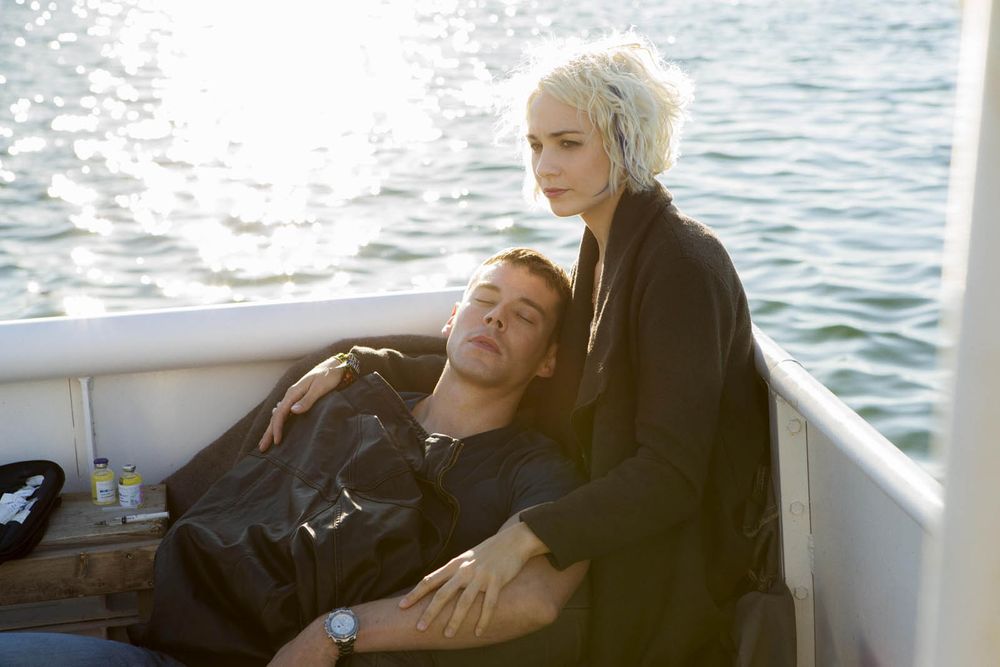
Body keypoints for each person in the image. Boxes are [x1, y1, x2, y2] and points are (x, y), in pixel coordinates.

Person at [263, 32, 776, 665]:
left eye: (568, 144)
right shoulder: (604, 252)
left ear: (628, 141)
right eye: (535, 145)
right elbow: (533, 372)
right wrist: (362, 364)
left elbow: (671, 475)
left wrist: (524, 537)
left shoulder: (681, 266)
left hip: (661, 590)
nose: (545, 168)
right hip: (591, 544)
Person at [0, 248, 589, 667]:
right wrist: (353, 364)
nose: (495, 317)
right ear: (452, 320)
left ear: (548, 361)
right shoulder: (350, 398)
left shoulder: (533, 468)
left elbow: (535, 599)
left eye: (524, 315)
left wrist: (334, 633)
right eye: (484, 300)